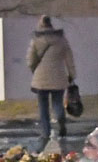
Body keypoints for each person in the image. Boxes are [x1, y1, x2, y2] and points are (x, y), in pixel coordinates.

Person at [26, 15, 77, 147]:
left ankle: (45, 132)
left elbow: (30, 60)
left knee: (43, 107)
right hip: (58, 77)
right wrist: (72, 74)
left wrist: (34, 70)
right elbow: (69, 58)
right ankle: (60, 119)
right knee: (57, 103)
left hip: (40, 79)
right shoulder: (61, 40)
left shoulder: (36, 40)